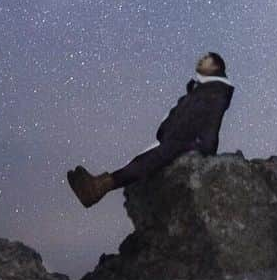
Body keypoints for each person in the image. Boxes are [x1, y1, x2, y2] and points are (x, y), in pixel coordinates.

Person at [66, 52, 234, 208]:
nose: (200, 59)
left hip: (188, 143)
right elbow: (179, 117)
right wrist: (166, 130)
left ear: (215, 67)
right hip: (176, 140)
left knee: (153, 158)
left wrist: (205, 147)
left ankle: (99, 187)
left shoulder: (216, 91)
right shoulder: (199, 90)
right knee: (146, 157)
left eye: (206, 59)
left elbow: (212, 121)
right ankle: (97, 186)